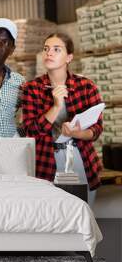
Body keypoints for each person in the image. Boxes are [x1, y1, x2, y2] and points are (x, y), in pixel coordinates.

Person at [21, 32, 103, 206]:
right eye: (46, 49)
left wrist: (78, 133)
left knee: (82, 213)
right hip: (47, 161)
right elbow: (30, 132)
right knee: (52, 215)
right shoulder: (32, 89)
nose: (49, 53)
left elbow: (97, 129)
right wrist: (56, 107)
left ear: (69, 57)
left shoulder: (87, 87)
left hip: (80, 159)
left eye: (56, 49)